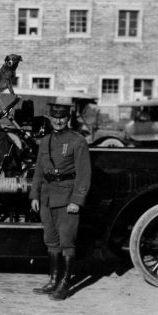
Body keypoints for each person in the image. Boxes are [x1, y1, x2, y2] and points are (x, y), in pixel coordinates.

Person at [30, 98, 92, 300]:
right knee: (52, 241)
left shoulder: (77, 141)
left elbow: (84, 175)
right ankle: (54, 279)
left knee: (67, 242)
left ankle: (65, 283)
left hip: (67, 198)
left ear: (69, 118)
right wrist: (34, 195)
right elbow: (39, 170)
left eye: (62, 117)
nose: (58, 121)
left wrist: (77, 200)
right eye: (55, 117)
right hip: (47, 197)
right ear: (50, 118)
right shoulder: (45, 141)